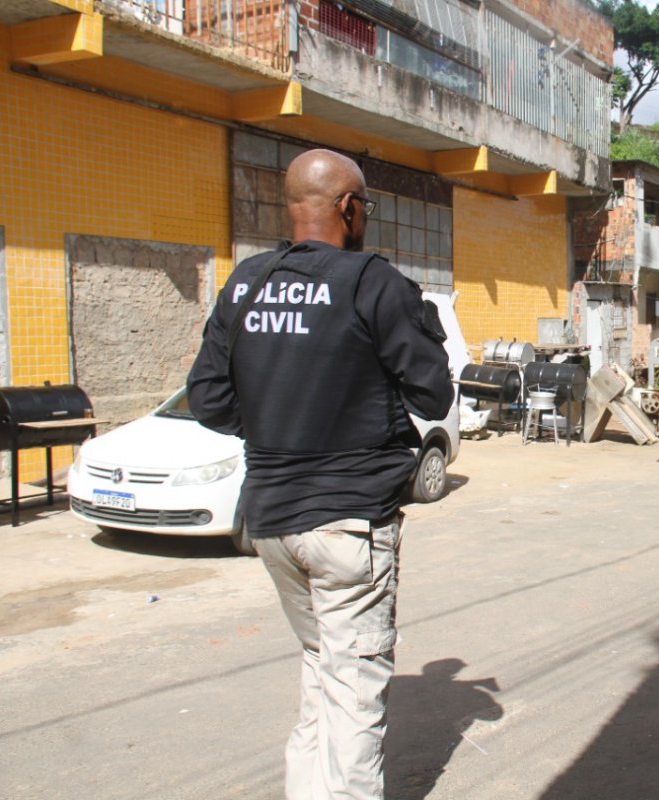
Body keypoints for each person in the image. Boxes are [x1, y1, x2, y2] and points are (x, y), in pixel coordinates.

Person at [187, 149, 455, 800]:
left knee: (319, 666)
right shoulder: (375, 283)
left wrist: (281, 419)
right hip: (347, 525)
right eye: (366, 204)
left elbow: (209, 399)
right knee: (354, 689)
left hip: (272, 524)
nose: (366, 216)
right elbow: (433, 396)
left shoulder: (247, 282)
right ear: (346, 207)